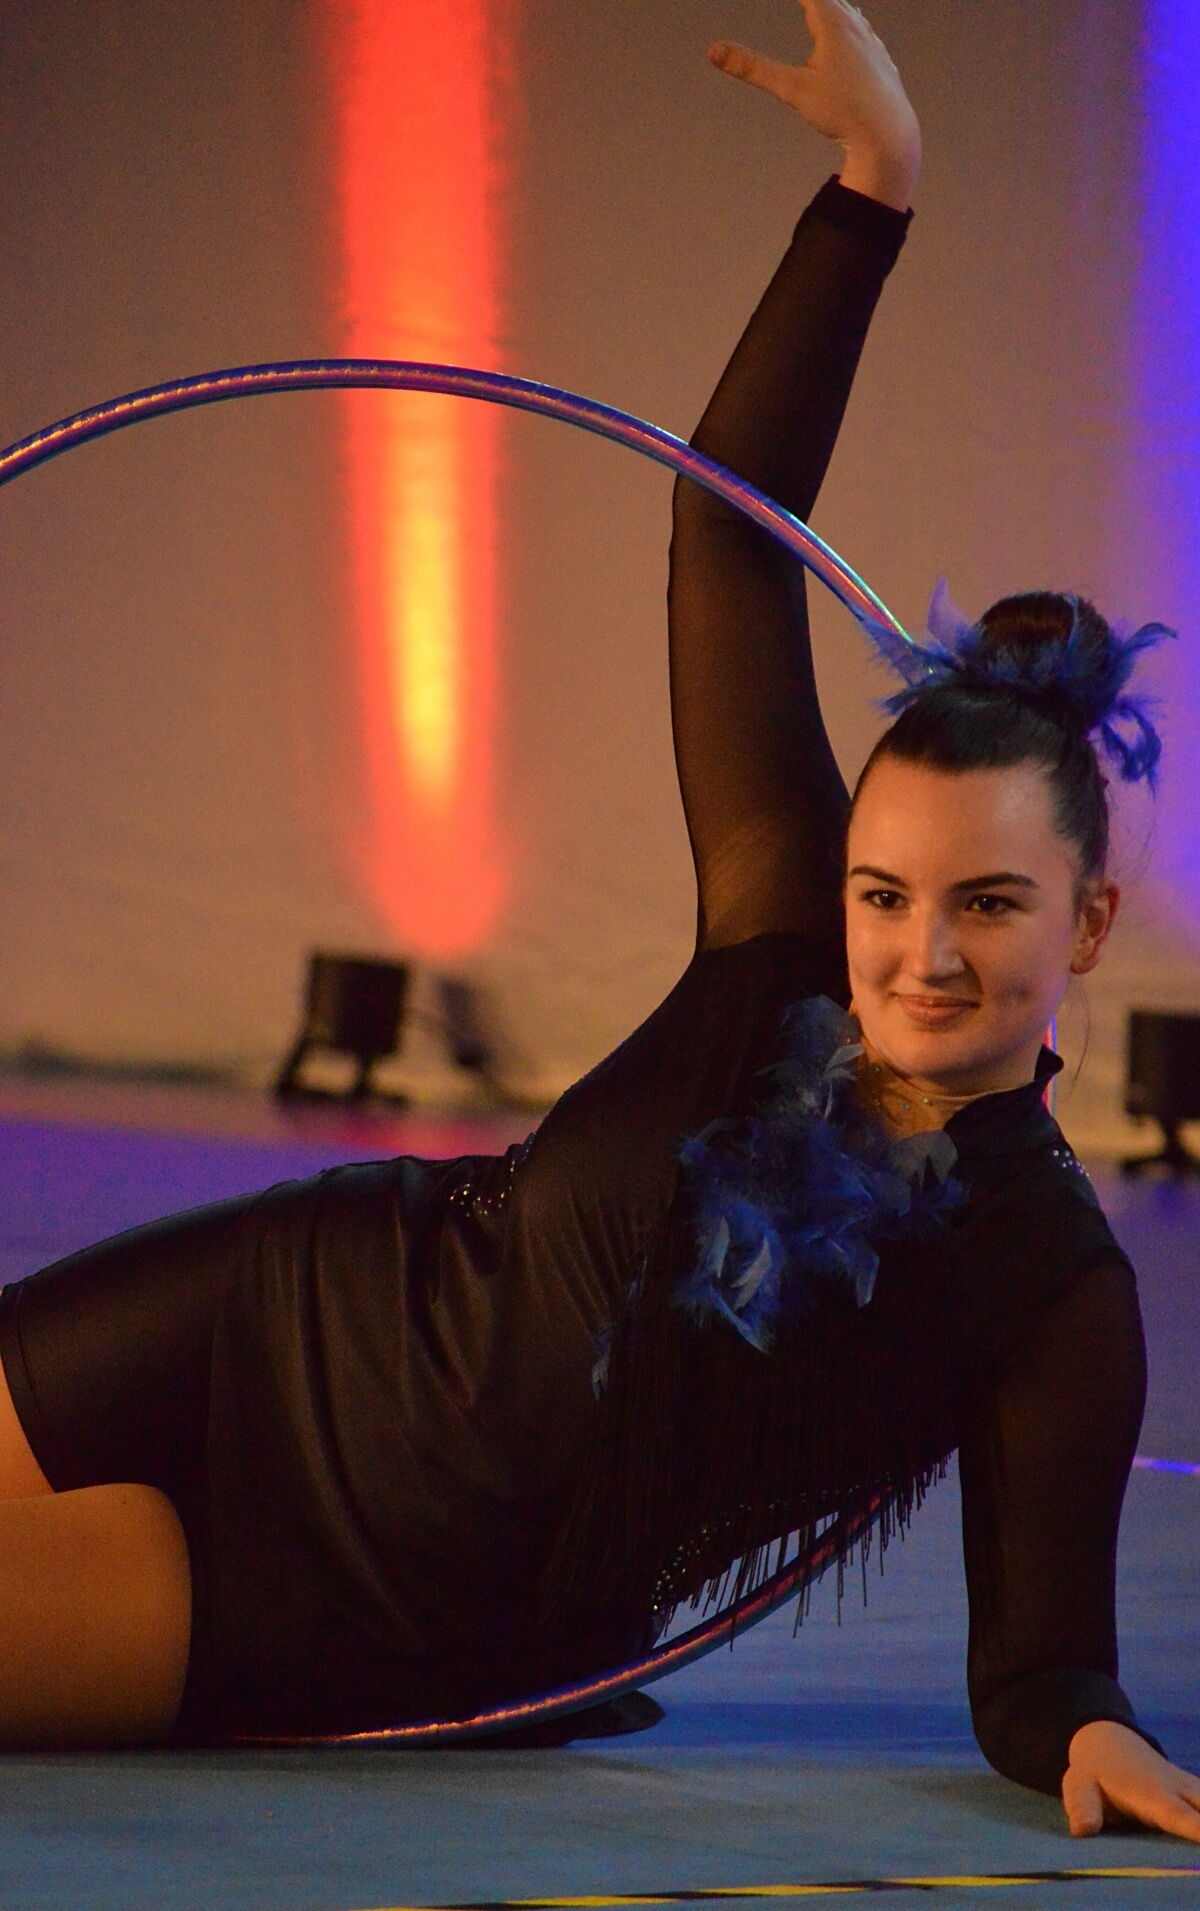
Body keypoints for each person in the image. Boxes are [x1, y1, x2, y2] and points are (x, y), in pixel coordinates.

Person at [0, 0, 1196, 1847]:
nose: (922, 954)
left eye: (990, 906)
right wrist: (872, 192)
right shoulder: (783, 942)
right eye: (886, 893)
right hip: (278, 1314)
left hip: (387, 1605)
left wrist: (1086, 1734)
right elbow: (726, 529)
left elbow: (1042, 1671)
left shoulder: (1046, 1284)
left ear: (1089, 921)